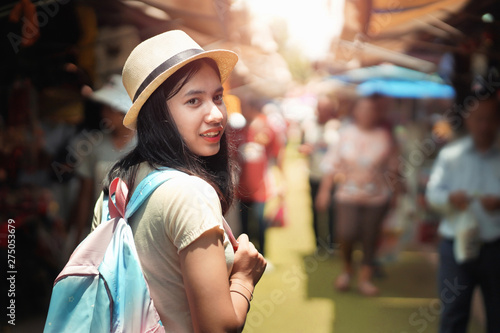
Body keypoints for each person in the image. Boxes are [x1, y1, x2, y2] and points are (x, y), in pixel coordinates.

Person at [91, 30, 266, 332]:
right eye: (194, 100)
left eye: (217, 97)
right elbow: (217, 328)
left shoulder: (118, 185)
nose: (216, 114)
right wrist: (243, 279)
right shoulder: (190, 193)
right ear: (156, 115)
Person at [425, 93, 500, 333]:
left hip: (495, 248)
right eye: (479, 119)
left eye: (490, 119)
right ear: (468, 119)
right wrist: (450, 198)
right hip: (455, 247)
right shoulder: (450, 155)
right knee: (453, 315)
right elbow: (432, 194)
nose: (484, 125)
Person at [315, 94, 399, 296]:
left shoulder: (384, 136)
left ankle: (365, 278)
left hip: (376, 197)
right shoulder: (345, 134)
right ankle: (347, 269)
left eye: (372, 110)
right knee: (346, 233)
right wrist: (324, 191)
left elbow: (394, 168)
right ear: (356, 112)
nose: (367, 114)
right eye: (363, 110)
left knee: (371, 238)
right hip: (348, 195)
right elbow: (332, 164)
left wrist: (395, 192)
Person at [71, 74, 136, 247]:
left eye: (108, 109)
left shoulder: (143, 145)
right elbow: (85, 194)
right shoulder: (95, 146)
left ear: (122, 110)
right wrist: (78, 238)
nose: (103, 113)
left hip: (134, 234)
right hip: (100, 234)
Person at [234, 94, 279, 257]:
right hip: (242, 188)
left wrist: (279, 180)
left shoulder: (266, 129)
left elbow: (276, 155)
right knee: (244, 226)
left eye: (244, 106)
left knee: (260, 221)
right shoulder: (236, 131)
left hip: (260, 188)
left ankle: (263, 255)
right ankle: (245, 257)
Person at [299, 94, 339, 253]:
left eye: (325, 109)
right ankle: (318, 244)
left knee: (332, 211)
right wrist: (305, 149)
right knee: (315, 210)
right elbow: (301, 145)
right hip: (314, 174)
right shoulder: (308, 125)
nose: (321, 112)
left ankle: (332, 244)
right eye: (320, 108)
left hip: (333, 177)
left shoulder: (336, 126)